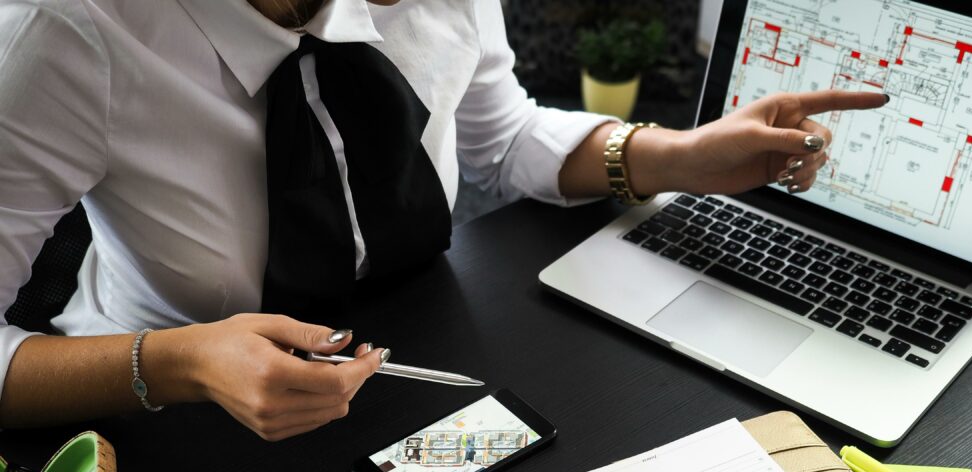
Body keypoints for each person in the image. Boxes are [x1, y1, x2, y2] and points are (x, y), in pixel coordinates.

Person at [0, 0, 885, 441]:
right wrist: (182, 363)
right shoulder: (62, 36)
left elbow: (500, 140)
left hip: (423, 345)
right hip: (175, 418)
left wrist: (672, 156)